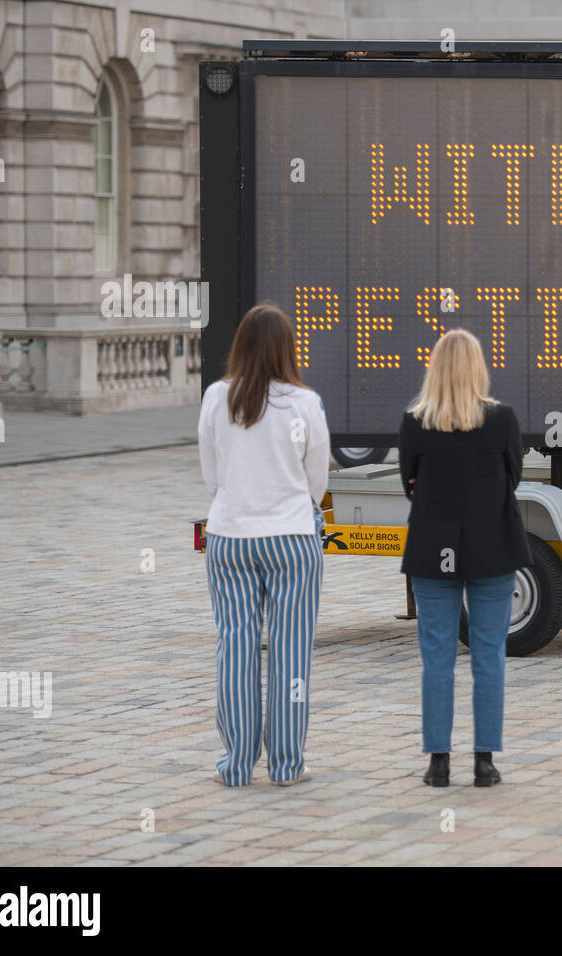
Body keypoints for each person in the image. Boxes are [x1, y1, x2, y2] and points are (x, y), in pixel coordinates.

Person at [198, 303, 329, 787]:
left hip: (230, 537)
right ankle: (287, 765)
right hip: (292, 538)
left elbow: (211, 473)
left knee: (235, 649)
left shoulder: (217, 398)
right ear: (286, 348)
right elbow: (317, 480)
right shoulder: (305, 402)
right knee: (292, 652)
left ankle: (235, 765)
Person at [399, 328, 531, 788]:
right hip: (491, 547)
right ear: (478, 368)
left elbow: (409, 483)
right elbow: (511, 477)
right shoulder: (502, 419)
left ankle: (438, 763)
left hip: (432, 550)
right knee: (489, 655)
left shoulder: (415, 422)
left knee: (436, 658)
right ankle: (484, 762)